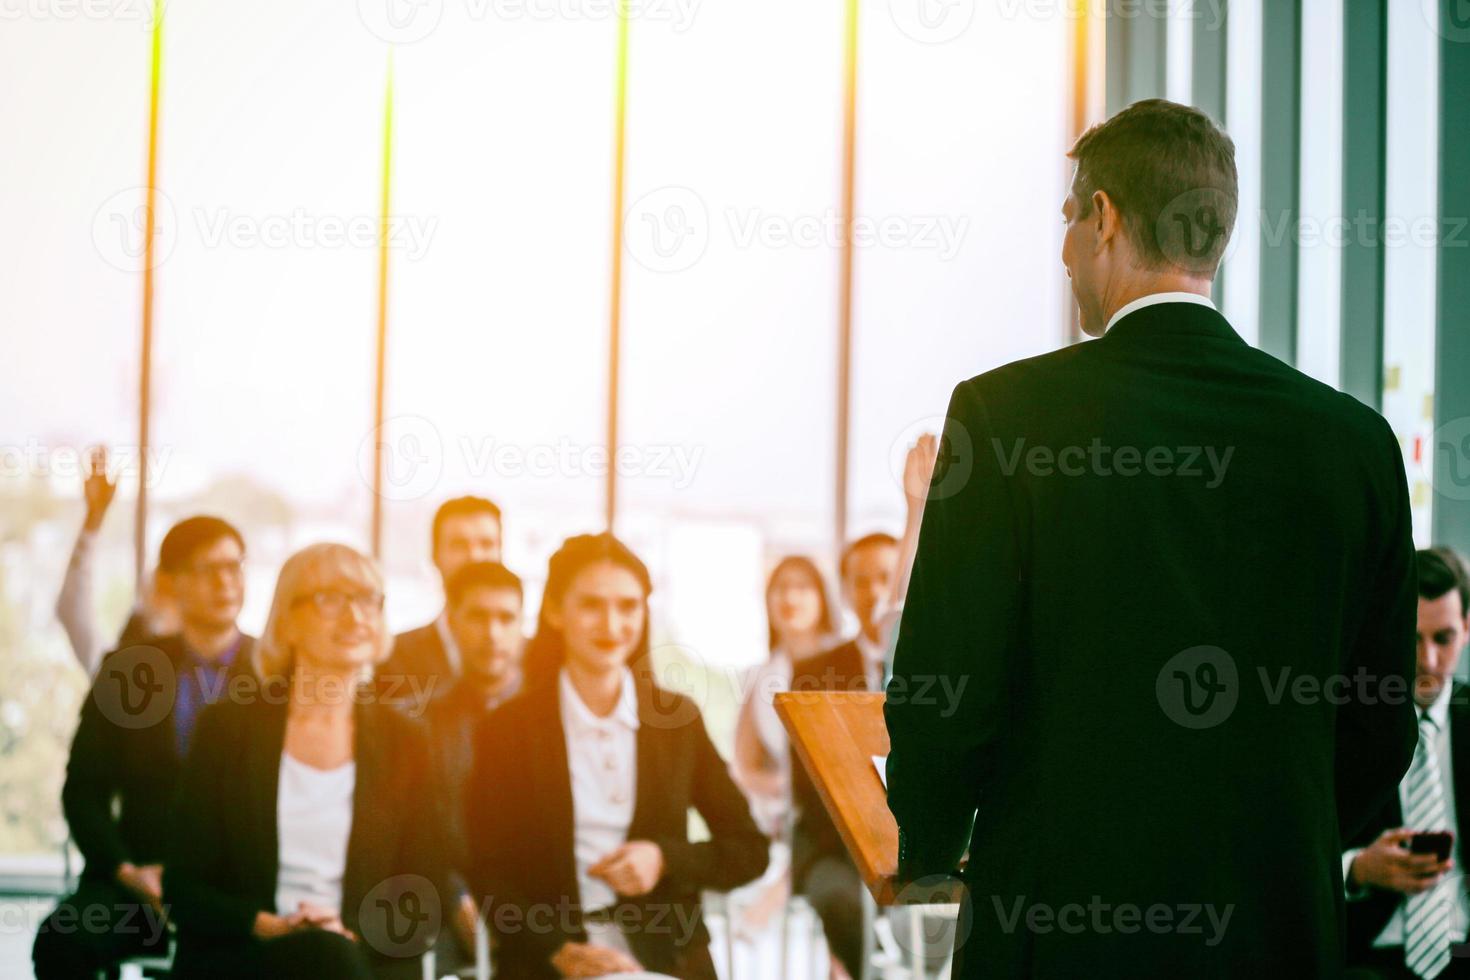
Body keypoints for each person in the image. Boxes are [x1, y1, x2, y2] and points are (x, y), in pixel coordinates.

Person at [885, 98, 1418, 977]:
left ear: (1103, 217)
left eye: (1068, 220)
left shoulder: (1005, 415)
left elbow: (949, 688)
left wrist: (932, 855)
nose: (1062, 252)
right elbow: (1380, 719)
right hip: (1275, 929)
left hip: (1055, 926)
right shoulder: (1355, 441)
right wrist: (1281, 839)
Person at [465, 532, 768, 979]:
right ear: (554, 612)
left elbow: (749, 849)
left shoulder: (676, 721)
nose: (611, 625)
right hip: (552, 956)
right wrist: (558, 949)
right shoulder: (508, 729)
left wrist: (663, 858)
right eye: (591, 605)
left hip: (665, 953)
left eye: (628, 606)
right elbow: (486, 868)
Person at [164, 542, 446, 979]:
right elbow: (184, 888)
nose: (355, 617)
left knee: (330, 956)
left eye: (367, 601)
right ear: (289, 620)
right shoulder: (226, 730)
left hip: (362, 956)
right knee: (321, 955)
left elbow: (426, 894)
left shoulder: (406, 740)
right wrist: (268, 926)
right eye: (331, 600)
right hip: (246, 955)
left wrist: (349, 933)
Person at [33, 516, 253, 979]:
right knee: (63, 941)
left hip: (245, 890)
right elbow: (84, 792)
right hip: (140, 881)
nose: (225, 581)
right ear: (171, 582)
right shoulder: (128, 670)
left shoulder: (278, 672)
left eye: (234, 566)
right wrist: (127, 871)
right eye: (208, 569)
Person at [1344, 548, 1470, 978]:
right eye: (1413, 638)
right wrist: (1358, 869)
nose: (1428, 661)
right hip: (1371, 953)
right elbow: (1295, 856)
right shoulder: (1350, 726)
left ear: (1467, 628)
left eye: (1443, 638)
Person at [788, 532, 901, 980]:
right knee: (843, 900)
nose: (873, 592)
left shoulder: (939, 669)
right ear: (846, 590)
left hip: (915, 845)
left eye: (885, 579)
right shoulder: (815, 673)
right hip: (831, 845)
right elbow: (806, 780)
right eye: (860, 581)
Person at [425, 560, 525, 964]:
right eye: (478, 617)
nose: (492, 634)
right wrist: (454, 896)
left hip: (545, 903)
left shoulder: (554, 719)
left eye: (506, 618)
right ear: (451, 622)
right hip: (451, 900)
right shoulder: (425, 725)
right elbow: (419, 829)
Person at [733, 555, 838, 833]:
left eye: (803, 587)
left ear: (823, 599)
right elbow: (745, 767)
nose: (791, 597)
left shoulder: (848, 663)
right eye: (781, 587)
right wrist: (789, 786)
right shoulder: (760, 677)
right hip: (787, 821)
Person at [55, 445, 178, 675]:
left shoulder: (225, 677)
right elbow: (72, 610)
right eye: (159, 589)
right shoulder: (121, 682)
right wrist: (93, 519)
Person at [379, 496, 502, 712]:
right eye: (459, 545)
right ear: (435, 555)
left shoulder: (534, 657)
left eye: (486, 544)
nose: (474, 556)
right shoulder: (394, 656)